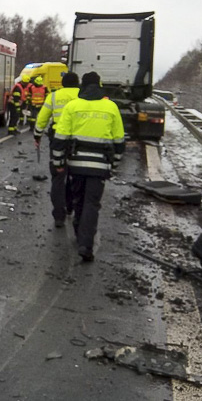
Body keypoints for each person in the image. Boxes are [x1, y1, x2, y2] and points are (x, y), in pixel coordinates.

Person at [50, 71, 124, 262]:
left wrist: (58, 163)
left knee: (78, 199)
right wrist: (114, 166)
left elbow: (60, 139)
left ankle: (78, 229)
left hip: (76, 165)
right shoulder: (111, 107)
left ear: (82, 86)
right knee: (92, 203)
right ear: (99, 85)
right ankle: (86, 244)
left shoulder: (72, 106)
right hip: (99, 166)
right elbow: (119, 141)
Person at [33, 72, 80, 227]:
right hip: (79, 141)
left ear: (63, 83)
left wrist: (37, 135)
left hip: (58, 141)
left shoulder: (54, 96)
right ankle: (71, 206)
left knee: (58, 177)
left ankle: (58, 216)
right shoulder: (83, 95)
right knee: (75, 175)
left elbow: (42, 117)